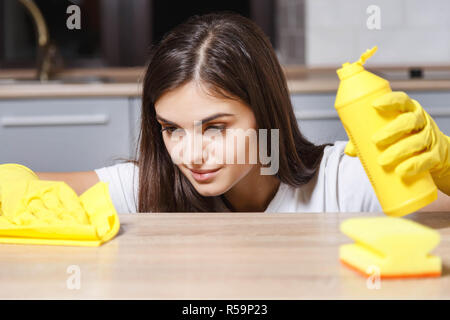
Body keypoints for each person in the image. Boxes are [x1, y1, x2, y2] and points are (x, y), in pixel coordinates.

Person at [36, 12, 450, 213]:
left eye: (215, 127)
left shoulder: (344, 180)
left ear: (264, 114)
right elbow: (25, 188)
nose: (189, 155)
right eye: (171, 129)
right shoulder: (152, 186)